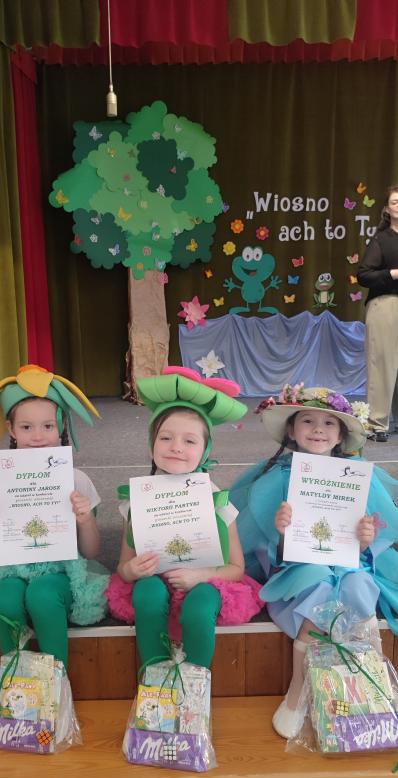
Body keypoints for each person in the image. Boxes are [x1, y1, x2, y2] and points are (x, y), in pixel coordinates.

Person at [230, 383, 398, 738]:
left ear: (340, 435)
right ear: (292, 430)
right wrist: (281, 531)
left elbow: (367, 545)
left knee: (357, 582)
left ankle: (373, 681)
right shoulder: (276, 478)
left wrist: (365, 539)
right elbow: (268, 550)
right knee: (319, 584)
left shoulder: (356, 476)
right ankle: (298, 690)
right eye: (307, 420)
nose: (318, 429)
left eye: (328, 423)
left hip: (348, 562)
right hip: (299, 565)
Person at [106, 366, 265, 669]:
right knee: (148, 593)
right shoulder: (137, 501)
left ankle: (195, 686)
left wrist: (200, 576)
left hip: (206, 581)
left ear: (205, 451)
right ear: (151, 444)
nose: (176, 447)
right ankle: (154, 681)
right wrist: (132, 570)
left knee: (200, 606)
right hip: (156, 582)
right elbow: (123, 568)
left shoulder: (218, 501)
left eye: (190, 441)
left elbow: (235, 569)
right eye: (166, 438)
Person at [0, 364, 109, 668]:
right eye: (27, 427)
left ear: (61, 427)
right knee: (4, 598)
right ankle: (16, 680)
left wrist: (85, 520)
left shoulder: (77, 479)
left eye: (48, 426)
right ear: (11, 430)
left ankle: (56, 681)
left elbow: (93, 550)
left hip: (64, 570)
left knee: (42, 595)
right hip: (14, 569)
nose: (38, 437)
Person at [357, 184, 398, 442]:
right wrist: (392, 273)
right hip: (387, 304)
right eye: (395, 202)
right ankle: (377, 424)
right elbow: (363, 275)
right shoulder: (382, 239)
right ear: (387, 210)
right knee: (383, 364)